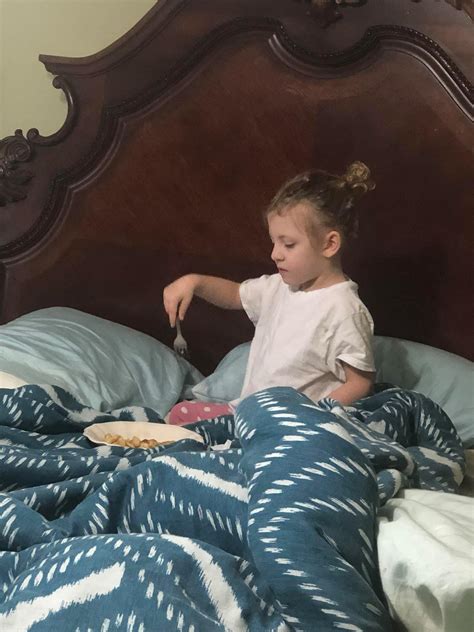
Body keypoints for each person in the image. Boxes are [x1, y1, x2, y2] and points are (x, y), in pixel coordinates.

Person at [164, 161, 376, 425]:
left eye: (288, 244)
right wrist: (195, 282)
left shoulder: (343, 309)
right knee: (179, 415)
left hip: (293, 423)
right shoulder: (278, 287)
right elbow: (235, 294)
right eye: (274, 242)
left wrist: (314, 415)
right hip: (248, 414)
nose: (275, 254)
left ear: (329, 244)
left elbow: (360, 382)